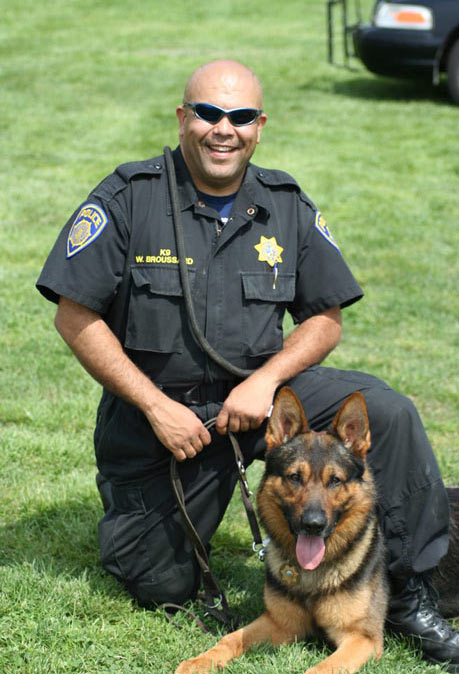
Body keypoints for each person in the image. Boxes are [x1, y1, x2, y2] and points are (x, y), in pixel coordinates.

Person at [36, 60, 458, 670]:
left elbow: (324, 317)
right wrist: (155, 407)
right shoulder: (131, 197)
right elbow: (73, 316)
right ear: (184, 118)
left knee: (388, 410)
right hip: (167, 419)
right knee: (156, 582)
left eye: (239, 117)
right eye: (208, 113)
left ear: (259, 126)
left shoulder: (284, 202)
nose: (222, 129)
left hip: (263, 403)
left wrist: (265, 381)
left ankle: (406, 591)